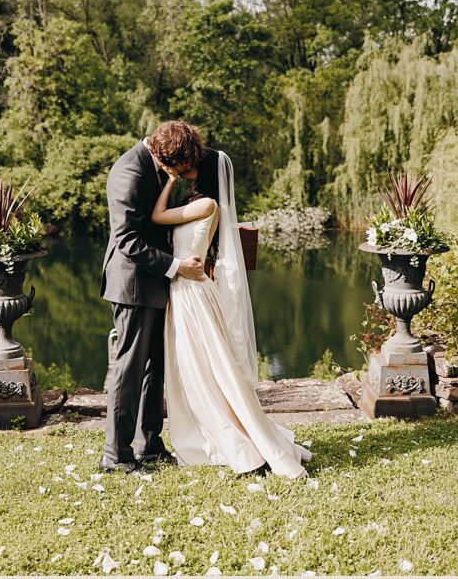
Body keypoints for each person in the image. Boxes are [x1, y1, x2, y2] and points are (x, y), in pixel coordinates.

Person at [151, 147, 313, 478]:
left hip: (191, 293)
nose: (185, 170)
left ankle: (241, 442)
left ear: (206, 171)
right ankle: (224, 434)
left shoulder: (207, 204)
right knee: (199, 370)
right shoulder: (198, 203)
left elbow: (157, 216)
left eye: (191, 167)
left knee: (208, 371)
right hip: (184, 290)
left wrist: (167, 181)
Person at [99, 120, 206, 473]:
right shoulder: (129, 171)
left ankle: (150, 444)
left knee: (153, 368)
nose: (185, 172)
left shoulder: (157, 165)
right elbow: (127, 240)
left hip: (154, 283)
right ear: (166, 155)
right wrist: (176, 266)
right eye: (182, 166)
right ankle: (115, 455)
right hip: (132, 285)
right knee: (129, 370)